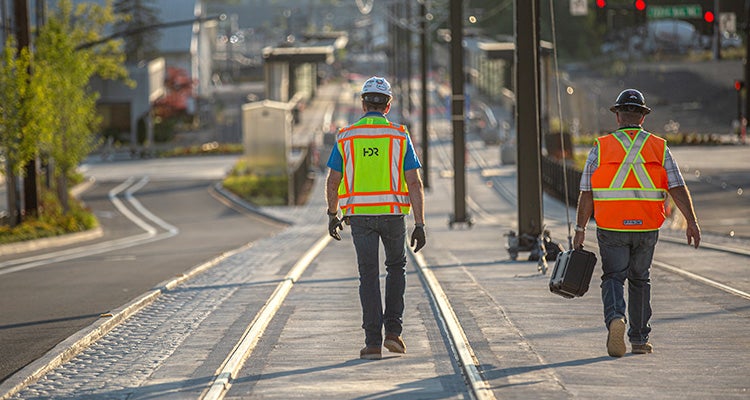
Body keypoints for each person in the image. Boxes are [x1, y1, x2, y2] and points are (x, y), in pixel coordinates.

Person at [573, 89, 701, 358]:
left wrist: (580, 229)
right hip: (646, 227)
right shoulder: (659, 146)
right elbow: (677, 186)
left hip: (611, 227)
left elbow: (587, 192)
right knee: (640, 280)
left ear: (618, 116)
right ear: (642, 117)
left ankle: (616, 318)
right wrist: (691, 221)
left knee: (613, 278)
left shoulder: (601, 146)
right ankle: (640, 340)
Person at [325, 76, 426, 360]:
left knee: (368, 275)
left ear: (363, 103)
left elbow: (333, 181)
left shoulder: (346, 136)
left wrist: (333, 214)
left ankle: (372, 343)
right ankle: (393, 333)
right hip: (394, 215)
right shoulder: (398, 135)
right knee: (396, 268)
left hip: (360, 217)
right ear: (388, 105)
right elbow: (414, 182)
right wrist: (419, 223)